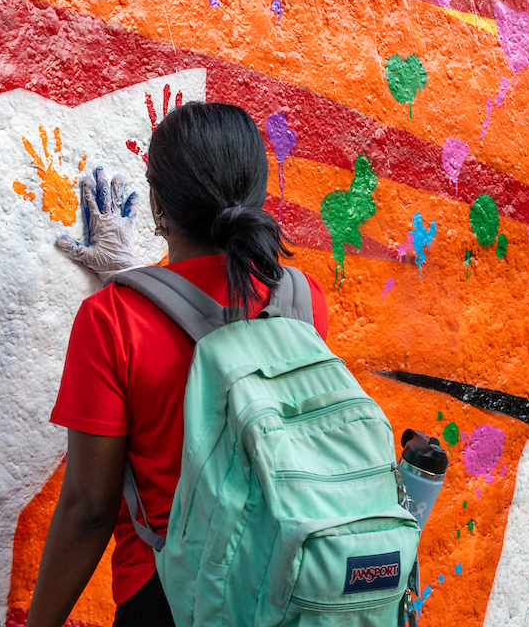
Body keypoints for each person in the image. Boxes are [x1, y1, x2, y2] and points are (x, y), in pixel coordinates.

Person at [25, 102, 329, 627]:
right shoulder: (303, 301)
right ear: (257, 195)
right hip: (281, 586)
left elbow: (89, 508)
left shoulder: (112, 321)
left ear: (158, 204)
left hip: (170, 594)